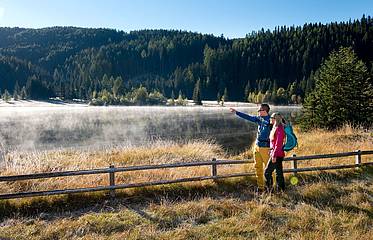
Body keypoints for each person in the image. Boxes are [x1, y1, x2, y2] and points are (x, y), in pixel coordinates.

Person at [230, 104, 274, 191]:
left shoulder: (271, 121)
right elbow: (248, 117)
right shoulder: (259, 119)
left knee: (269, 170)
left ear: (265, 111)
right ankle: (261, 187)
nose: (258, 112)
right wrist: (237, 112)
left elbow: (279, 131)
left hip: (266, 149)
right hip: (257, 147)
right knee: (258, 167)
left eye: (259, 110)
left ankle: (272, 187)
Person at [265, 112, 286, 191]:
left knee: (267, 172)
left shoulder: (279, 128)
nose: (270, 119)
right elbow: (273, 143)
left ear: (275, 119)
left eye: (272, 118)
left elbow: (278, 144)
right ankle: (281, 190)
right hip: (277, 153)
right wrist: (271, 150)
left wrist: (273, 155)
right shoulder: (275, 127)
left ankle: (269, 191)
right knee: (279, 173)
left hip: (277, 154)